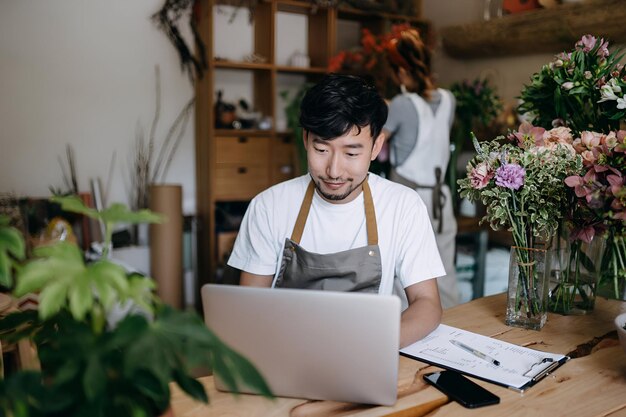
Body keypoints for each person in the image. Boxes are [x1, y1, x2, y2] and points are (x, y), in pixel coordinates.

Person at [227, 74, 444, 348]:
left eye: (351, 154)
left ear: (376, 146)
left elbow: (427, 304)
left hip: (367, 351)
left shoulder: (403, 206)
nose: (334, 171)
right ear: (306, 140)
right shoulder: (269, 206)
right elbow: (248, 310)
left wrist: (373, 346)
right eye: (321, 149)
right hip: (285, 350)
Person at [381, 28, 460, 309]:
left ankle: (403, 336)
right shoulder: (449, 100)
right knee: (444, 271)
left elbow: (375, 147)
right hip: (441, 199)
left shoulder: (402, 104)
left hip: (407, 200)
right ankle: (451, 327)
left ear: (400, 72)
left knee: (403, 275)